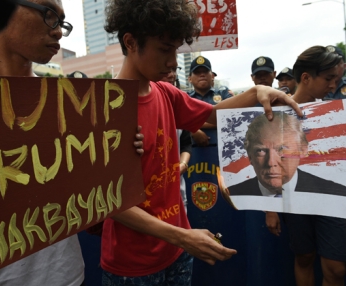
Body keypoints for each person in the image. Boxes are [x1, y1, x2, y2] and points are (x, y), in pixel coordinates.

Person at [100, 0, 302, 285]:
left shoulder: (166, 94)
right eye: (164, 49)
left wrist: (258, 91)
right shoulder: (103, 109)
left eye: (175, 50)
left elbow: (211, 115)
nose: (172, 62)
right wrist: (183, 236)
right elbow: (109, 202)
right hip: (134, 264)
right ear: (131, 42)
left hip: (177, 250)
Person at [0, 0, 145, 285]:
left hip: (66, 274)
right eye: (49, 15)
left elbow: (88, 190)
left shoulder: (71, 101)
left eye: (62, 22)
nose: (59, 32)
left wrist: (121, 153)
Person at [272, 46, 346, 286]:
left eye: (336, 79)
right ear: (306, 77)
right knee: (304, 257)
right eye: (328, 79)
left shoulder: (337, 112)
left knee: (336, 268)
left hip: (334, 197)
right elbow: (268, 161)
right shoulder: (274, 114)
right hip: (295, 199)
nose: (333, 85)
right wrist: (269, 208)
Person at [229, 111, 346, 197]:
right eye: (261, 151)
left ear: (303, 150)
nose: (271, 162)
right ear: (250, 156)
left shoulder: (334, 193)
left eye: (282, 149)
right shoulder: (234, 195)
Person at [161, 69, 192, 212]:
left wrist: (183, 164)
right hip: (151, 199)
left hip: (177, 192)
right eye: (167, 70)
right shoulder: (139, 107)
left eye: (174, 70)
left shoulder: (178, 106)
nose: (171, 74)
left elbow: (186, 143)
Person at [188, 56, 233, 147]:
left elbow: (230, 119)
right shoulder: (185, 98)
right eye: (197, 72)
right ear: (190, 79)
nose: (202, 75)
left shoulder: (224, 93)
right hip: (194, 153)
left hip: (223, 149)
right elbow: (176, 124)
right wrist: (192, 131)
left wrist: (191, 127)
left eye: (205, 71)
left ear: (212, 76)